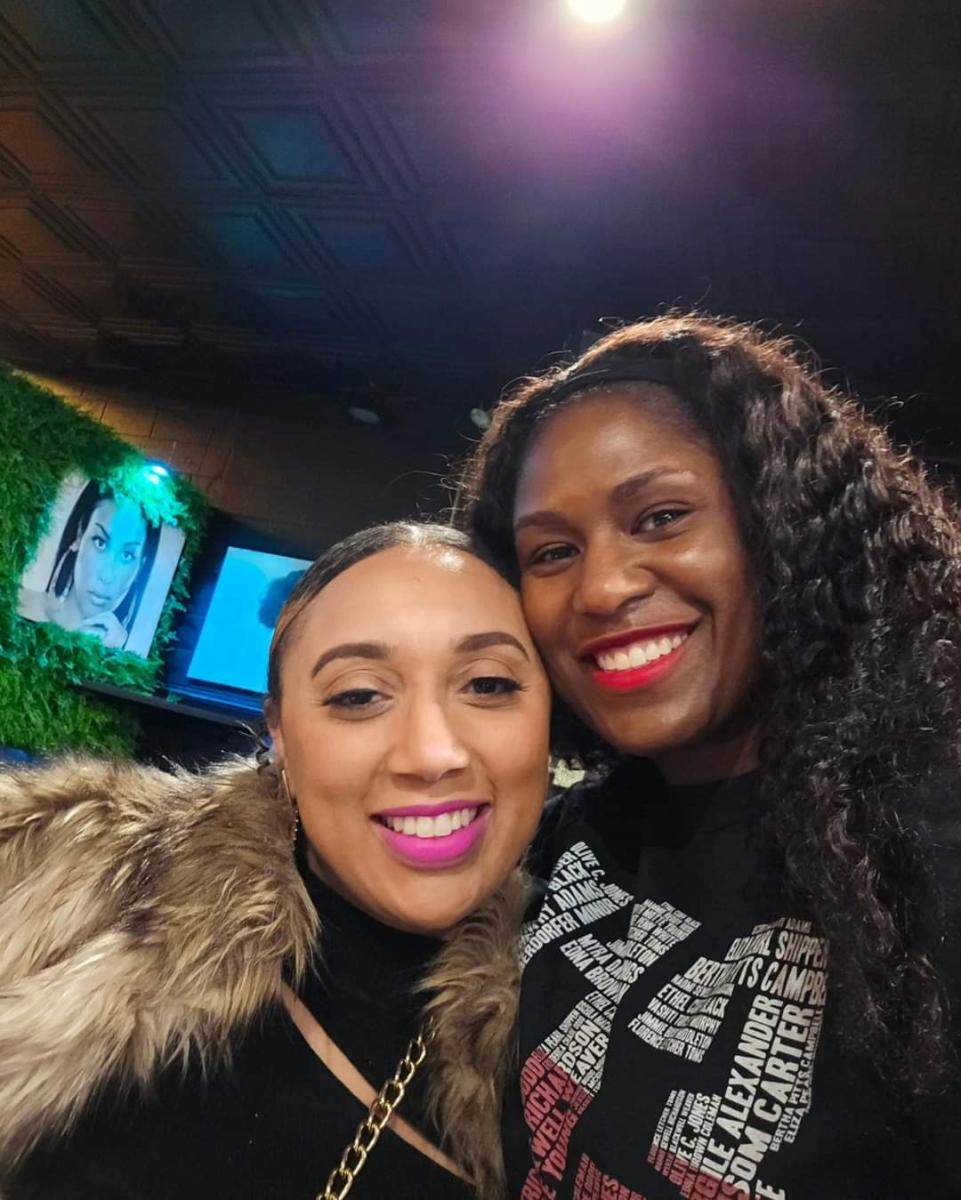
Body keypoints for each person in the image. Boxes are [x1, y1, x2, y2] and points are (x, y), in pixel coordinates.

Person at [458, 313, 961, 1199]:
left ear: (780, 527)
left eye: (660, 518)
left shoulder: (927, 849)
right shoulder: (560, 839)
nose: (601, 587)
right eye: (552, 552)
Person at [0, 521, 551, 1200]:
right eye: (358, 695)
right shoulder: (44, 867)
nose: (432, 753)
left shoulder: (572, 1043)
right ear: (280, 733)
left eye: (489, 684)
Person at [18, 479, 160, 649]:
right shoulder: (22, 607)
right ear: (80, 535)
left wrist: (111, 656)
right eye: (100, 543)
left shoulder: (129, 653)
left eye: (126, 555)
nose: (107, 576)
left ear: (140, 567)